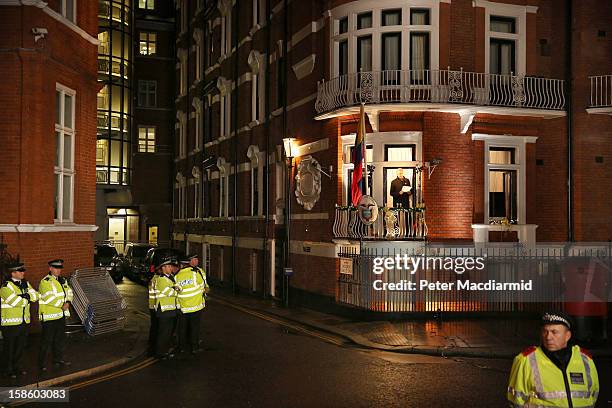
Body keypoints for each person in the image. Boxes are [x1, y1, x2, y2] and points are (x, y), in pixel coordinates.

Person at [507, 312, 599, 407]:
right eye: (545, 331)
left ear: (567, 336)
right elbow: (516, 402)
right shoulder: (526, 360)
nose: (548, 337)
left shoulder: (585, 359)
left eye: (554, 332)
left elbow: (593, 395)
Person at [0, 262, 39, 378]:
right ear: (13, 273)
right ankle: (7, 370)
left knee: (20, 347)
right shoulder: (5, 287)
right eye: (20, 271)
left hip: (23, 322)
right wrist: (27, 297)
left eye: (23, 270)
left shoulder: (25, 283)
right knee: (9, 348)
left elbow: (36, 296)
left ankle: (17, 367)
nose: (23, 273)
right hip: (10, 323)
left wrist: (25, 296)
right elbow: (15, 302)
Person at [38, 259, 74, 371]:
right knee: (46, 341)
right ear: (50, 268)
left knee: (59, 340)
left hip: (60, 316)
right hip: (49, 317)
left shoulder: (63, 280)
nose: (58, 270)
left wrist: (68, 302)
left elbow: (70, 292)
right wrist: (62, 305)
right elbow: (49, 298)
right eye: (56, 268)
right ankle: (42, 364)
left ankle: (58, 360)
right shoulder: (45, 282)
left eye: (60, 268)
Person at [175, 254, 205, 354]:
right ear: (189, 262)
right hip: (196, 306)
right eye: (195, 259)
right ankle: (194, 347)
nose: (197, 261)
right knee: (194, 328)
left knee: (182, 328)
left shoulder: (177, 276)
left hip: (183, 307)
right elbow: (203, 287)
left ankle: (181, 347)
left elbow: (176, 291)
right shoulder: (196, 274)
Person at [153, 257, 179, 359]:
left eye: (171, 266)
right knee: (163, 333)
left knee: (168, 333)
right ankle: (160, 353)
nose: (171, 268)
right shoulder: (161, 280)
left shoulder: (171, 277)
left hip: (170, 310)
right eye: (168, 266)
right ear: (163, 268)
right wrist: (175, 289)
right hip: (164, 310)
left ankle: (165, 351)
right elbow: (172, 292)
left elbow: (178, 288)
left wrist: (176, 288)